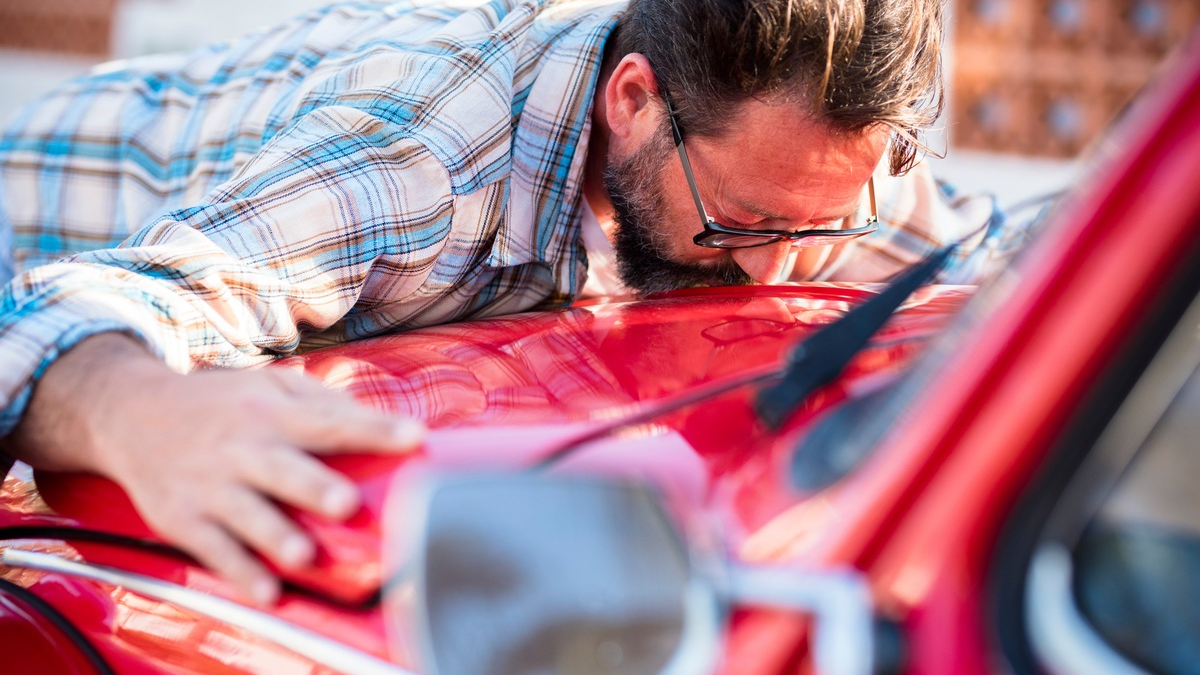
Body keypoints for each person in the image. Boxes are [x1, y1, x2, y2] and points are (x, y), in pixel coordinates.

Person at [0, 0, 996, 604]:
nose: (779, 275)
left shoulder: (801, 164)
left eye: (821, 230)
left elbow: (993, 256)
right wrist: (139, 411)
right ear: (632, 101)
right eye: (739, 224)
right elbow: (52, 321)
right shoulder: (424, 164)